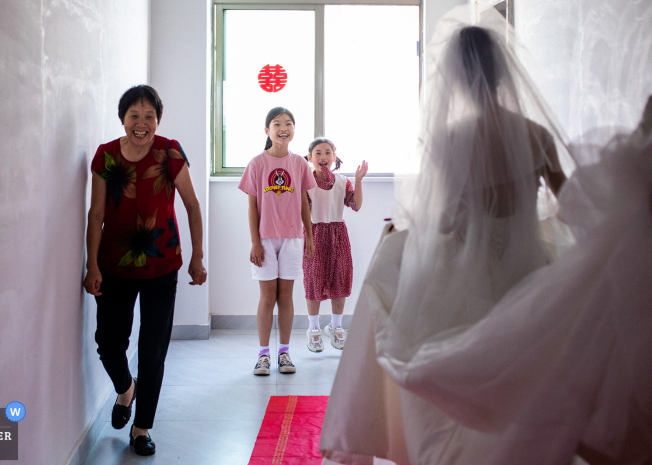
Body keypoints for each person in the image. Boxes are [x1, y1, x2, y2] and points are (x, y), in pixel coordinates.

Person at [320, 7, 574, 465]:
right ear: (504, 74)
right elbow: (570, 203)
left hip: (465, 274)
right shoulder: (536, 134)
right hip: (529, 272)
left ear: (453, 79)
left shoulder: (448, 138)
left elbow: (447, 220)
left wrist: (406, 234)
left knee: (447, 371)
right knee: (526, 379)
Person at [83, 85, 206, 456]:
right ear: (122, 118)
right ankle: (126, 389)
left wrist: (197, 257)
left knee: (153, 351)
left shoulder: (169, 152)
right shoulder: (105, 156)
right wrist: (91, 265)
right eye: (134, 116)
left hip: (161, 267)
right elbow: (97, 214)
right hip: (114, 267)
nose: (142, 123)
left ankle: (141, 427)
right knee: (108, 345)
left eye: (149, 116)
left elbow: (192, 206)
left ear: (157, 120)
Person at [238, 107, 317, 376]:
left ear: (294, 129)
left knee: (286, 296)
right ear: (267, 130)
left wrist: (309, 235)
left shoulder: (300, 164)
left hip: (294, 237)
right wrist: (255, 242)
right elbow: (252, 206)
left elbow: (305, 203)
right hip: (265, 239)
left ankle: (284, 353)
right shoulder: (257, 163)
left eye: (288, 123)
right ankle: (263, 356)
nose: (283, 127)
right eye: (277, 123)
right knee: (267, 296)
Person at [303, 138, 368, 352]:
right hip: (314, 234)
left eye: (328, 152)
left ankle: (336, 327)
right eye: (318, 153)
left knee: (339, 279)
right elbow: (301, 211)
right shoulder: (306, 183)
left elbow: (355, 205)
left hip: (338, 234)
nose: (323, 157)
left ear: (334, 156)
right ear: (310, 158)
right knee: (314, 282)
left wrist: (358, 180)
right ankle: (314, 330)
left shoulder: (342, 181)